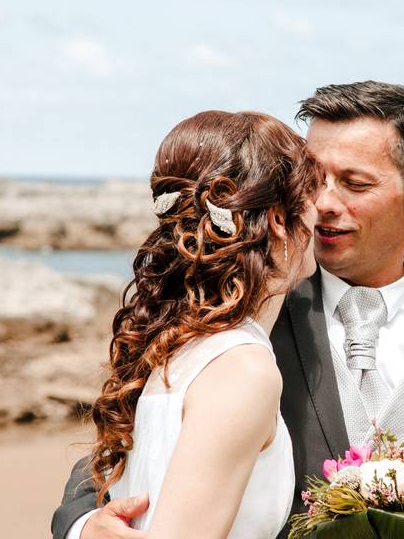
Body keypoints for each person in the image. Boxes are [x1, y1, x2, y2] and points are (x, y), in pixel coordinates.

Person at [52, 82, 404, 539]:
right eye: (313, 179)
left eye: (355, 184)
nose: (323, 204)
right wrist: (85, 526)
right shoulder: (239, 318)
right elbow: (123, 448)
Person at [59, 110, 323, 538]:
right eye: (313, 195)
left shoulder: (175, 349)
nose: (321, 212)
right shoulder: (243, 370)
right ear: (277, 219)